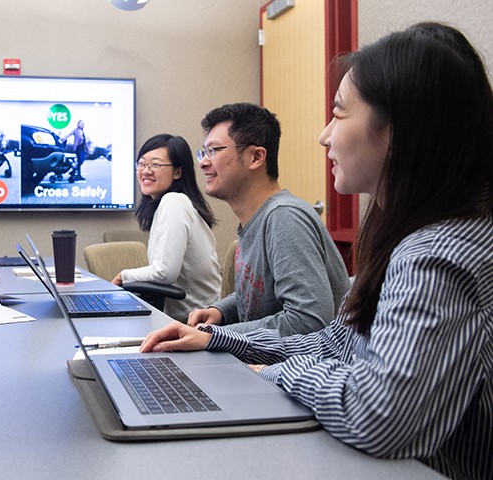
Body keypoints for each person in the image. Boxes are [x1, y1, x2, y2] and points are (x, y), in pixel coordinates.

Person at [141, 22, 492, 480]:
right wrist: (219, 339)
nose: (325, 136)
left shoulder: (437, 253)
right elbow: (334, 341)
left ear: (398, 129)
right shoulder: (411, 236)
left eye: (339, 113)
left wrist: (276, 374)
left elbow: (379, 414)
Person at [187, 103, 350, 336]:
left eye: (214, 150)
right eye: (203, 152)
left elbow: (309, 321)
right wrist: (221, 311)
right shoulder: (258, 218)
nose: (203, 162)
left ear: (256, 157)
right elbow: (262, 291)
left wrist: (216, 336)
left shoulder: (284, 217)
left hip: (297, 370)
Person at [112, 134, 221, 321]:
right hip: (189, 317)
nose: (146, 171)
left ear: (177, 172)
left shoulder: (173, 202)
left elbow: (165, 273)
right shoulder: (175, 203)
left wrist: (124, 275)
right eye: (142, 164)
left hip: (193, 322)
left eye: (155, 165)